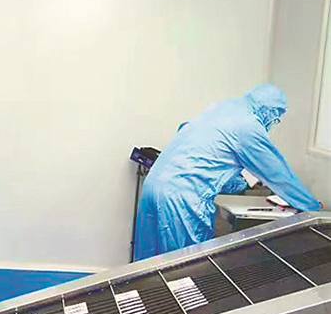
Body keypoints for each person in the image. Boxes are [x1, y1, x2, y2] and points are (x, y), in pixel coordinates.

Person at [134, 84, 322, 262]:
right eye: (277, 117)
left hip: (153, 185)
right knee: (185, 265)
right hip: (182, 198)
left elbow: (203, 154)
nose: (274, 122)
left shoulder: (224, 107)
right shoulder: (248, 126)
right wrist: (311, 206)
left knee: (147, 267)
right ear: (270, 110)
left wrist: (239, 183)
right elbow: (278, 175)